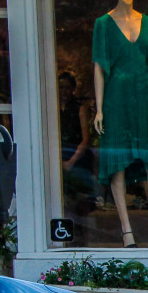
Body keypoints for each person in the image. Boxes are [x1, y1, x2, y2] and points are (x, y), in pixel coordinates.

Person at [57, 71, 97, 206]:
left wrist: (71, 161)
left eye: (67, 87)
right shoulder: (51, 108)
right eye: (61, 87)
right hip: (58, 155)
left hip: (76, 156)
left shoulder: (80, 108)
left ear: (73, 88)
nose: (64, 91)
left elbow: (85, 139)